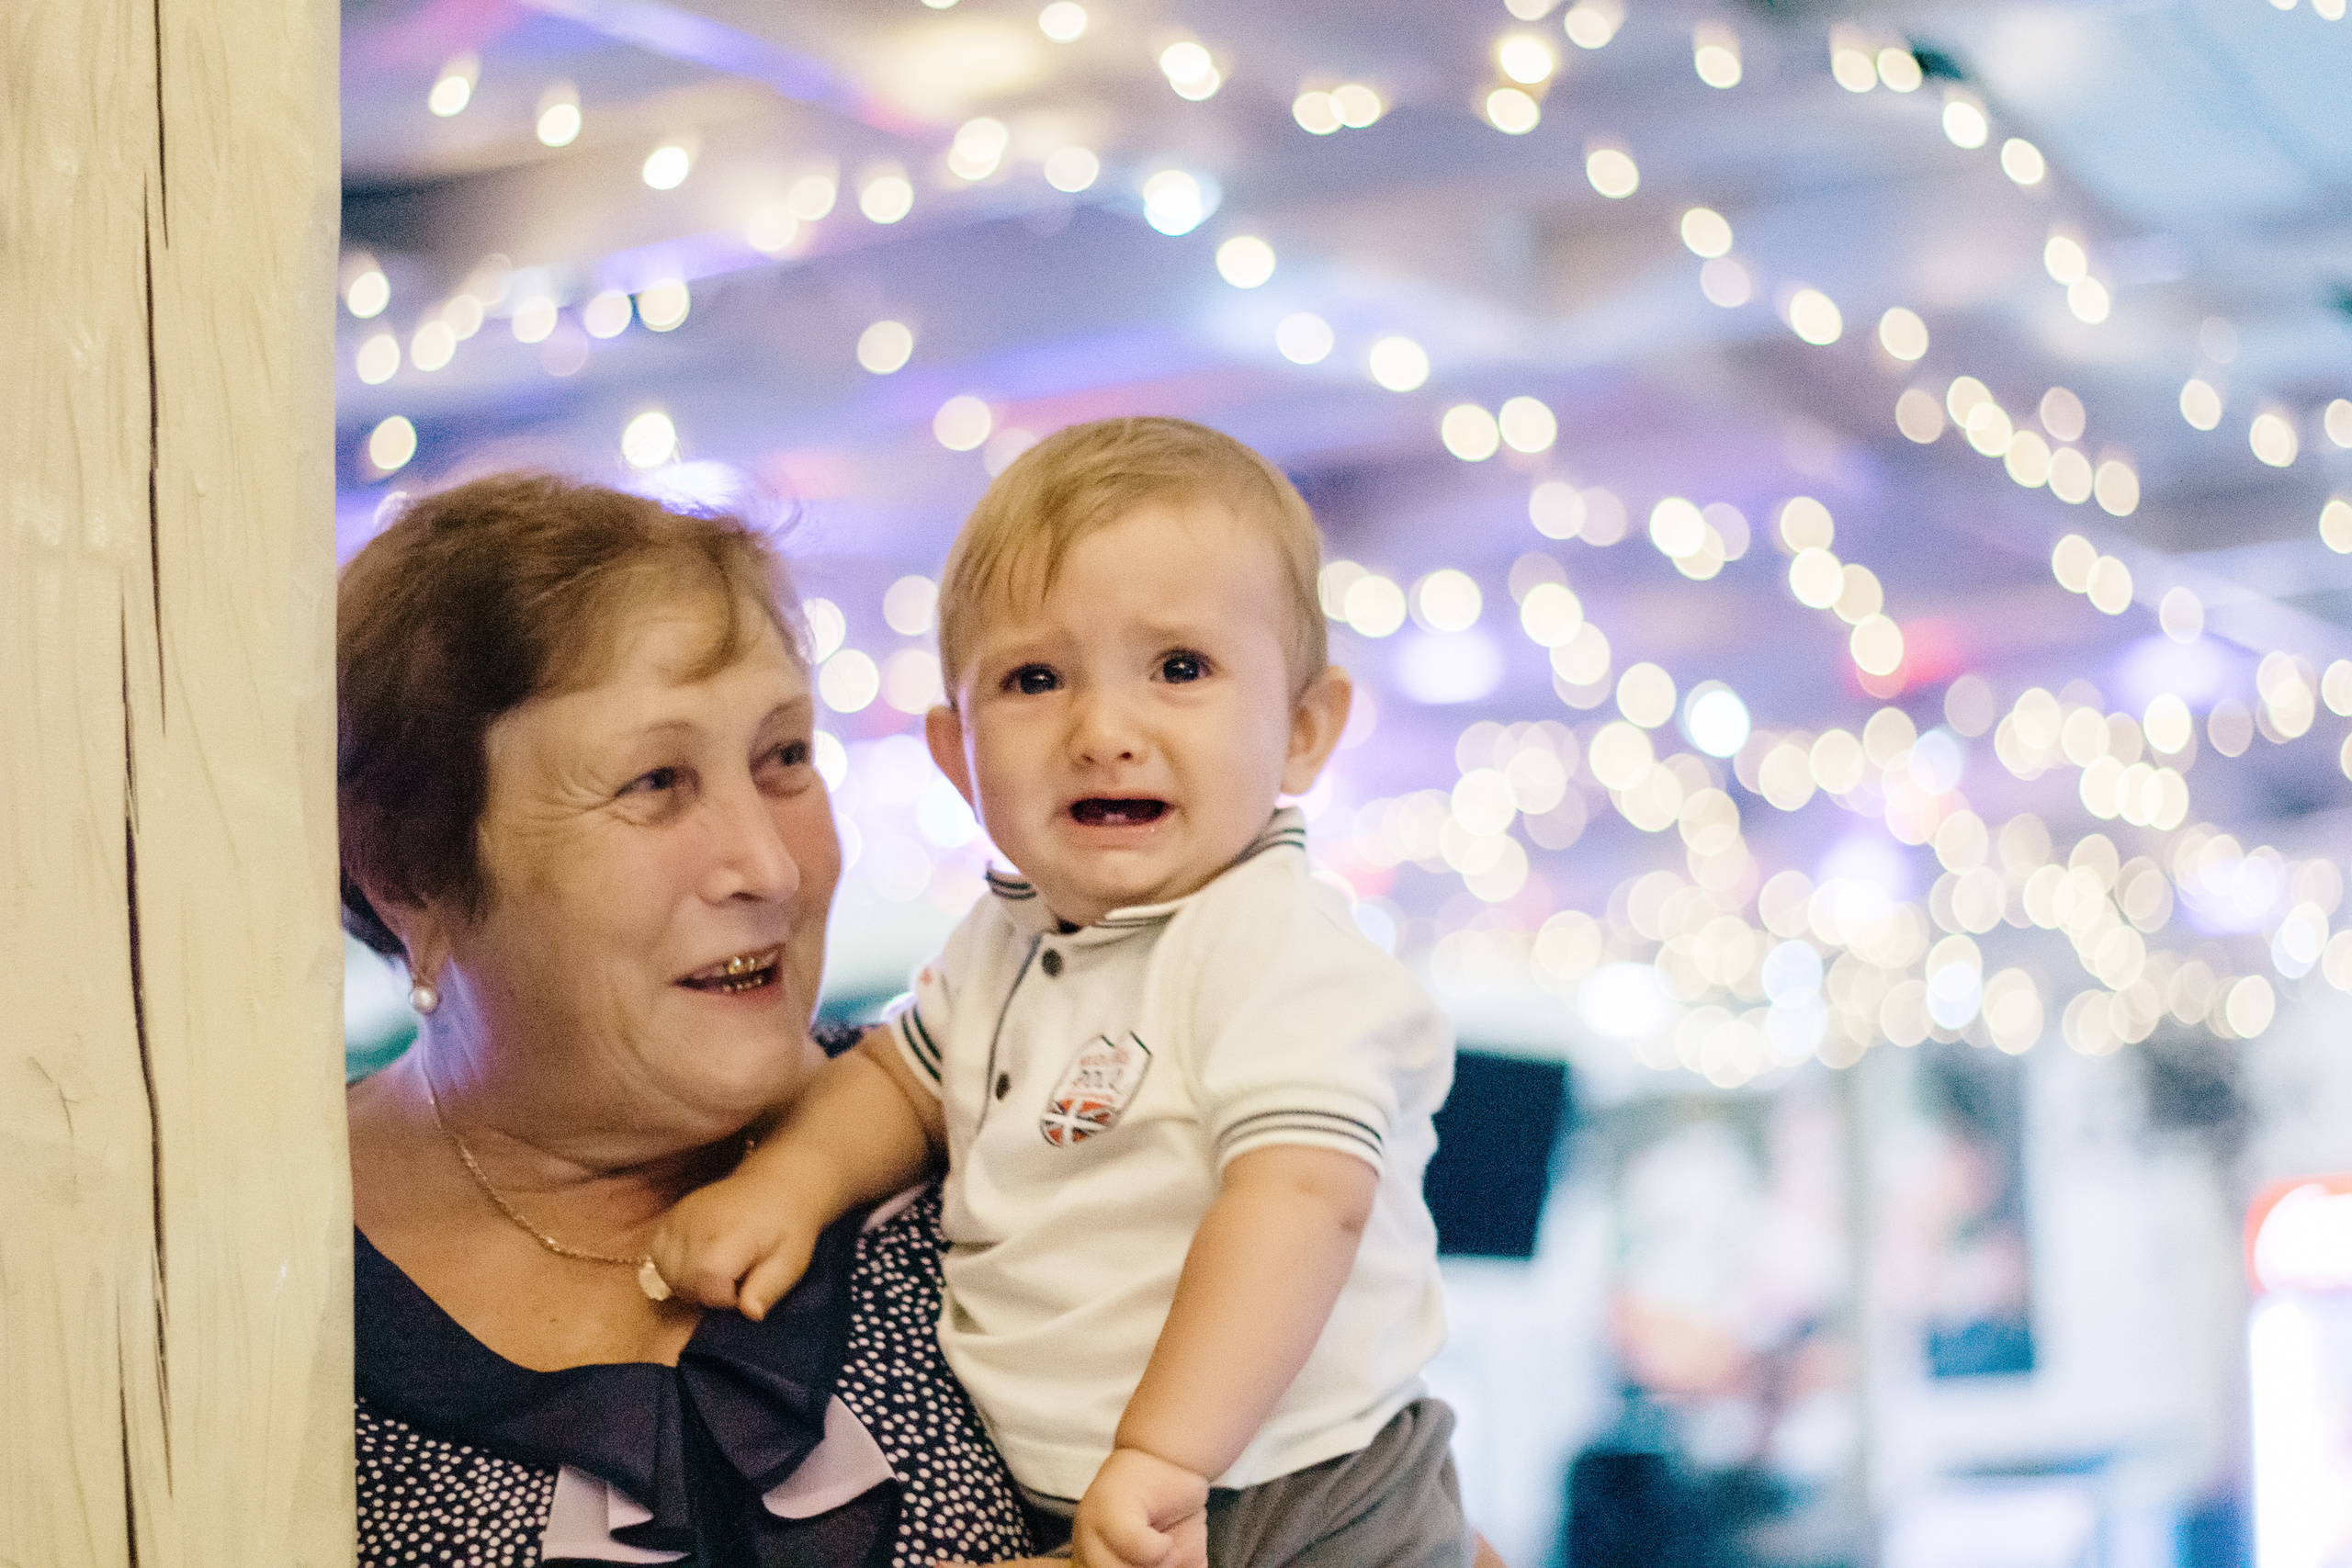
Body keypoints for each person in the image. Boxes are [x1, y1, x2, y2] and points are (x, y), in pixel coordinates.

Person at [651, 418, 1469, 1568]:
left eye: (1179, 669)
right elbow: (899, 1080)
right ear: (956, 753)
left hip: (1298, 1486)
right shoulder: (1003, 942)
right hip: (1100, 1493)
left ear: (1300, 732)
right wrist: (789, 1186)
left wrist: (1163, 1456)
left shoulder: (1273, 948)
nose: (1103, 732)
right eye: (1035, 679)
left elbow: (1303, 1202)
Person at [339, 473, 1054, 1568]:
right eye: (655, 782)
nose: (768, 867)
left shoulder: (1000, 1146)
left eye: (784, 759)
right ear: (409, 875)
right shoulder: (227, 1272)